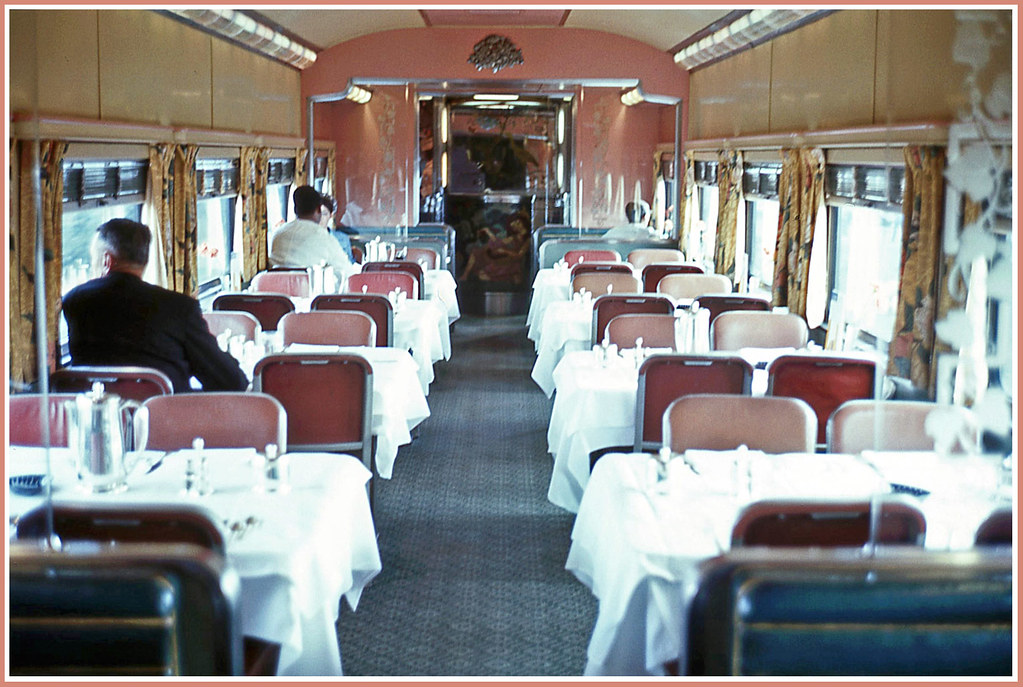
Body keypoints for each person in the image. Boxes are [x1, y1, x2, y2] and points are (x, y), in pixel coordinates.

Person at [61, 219, 248, 393]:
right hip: (166, 422)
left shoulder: (74, 302)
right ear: (144, 260)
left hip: (100, 417)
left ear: (106, 261)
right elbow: (230, 381)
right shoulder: (179, 307)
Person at [269, 185, 354, 281]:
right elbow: (348, 273)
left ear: (295, 210)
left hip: (277, 294)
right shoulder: (324, 238)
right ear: (318, 210)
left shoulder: (278, 234)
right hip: (309, 293)